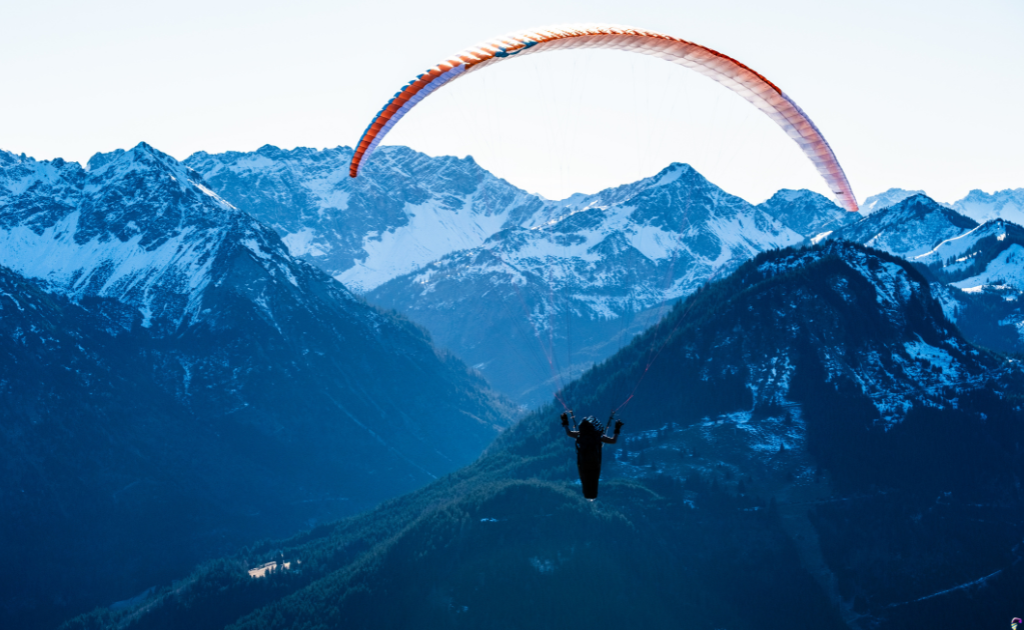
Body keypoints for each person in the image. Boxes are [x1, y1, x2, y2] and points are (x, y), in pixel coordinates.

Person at [561, 411, 623, 499]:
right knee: (592, 480)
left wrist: (565, 421)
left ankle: (589, 495)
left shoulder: (580, 435)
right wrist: (617, 428)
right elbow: (613, 440)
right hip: (594, 463)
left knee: (586, 480)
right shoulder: (597, 436)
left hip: (583, 463)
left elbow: (568, 433)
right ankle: (591, 495)